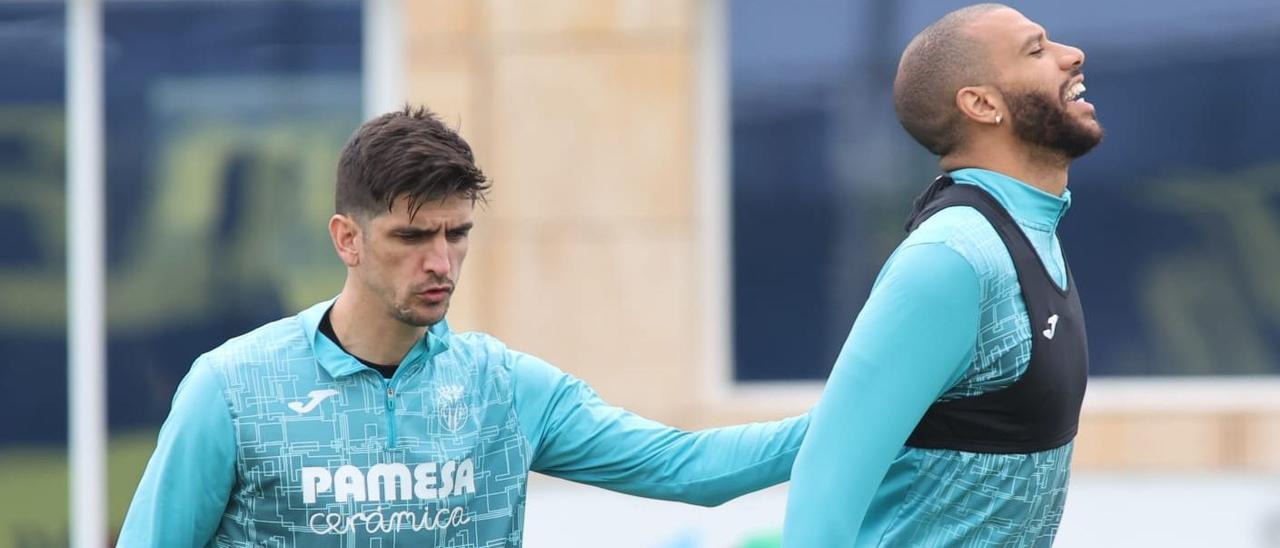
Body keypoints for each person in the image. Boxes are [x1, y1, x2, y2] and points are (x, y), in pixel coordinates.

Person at [119, 105, 808, 546]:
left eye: (458, 234)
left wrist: (887, 410)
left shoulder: (503, 387)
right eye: (413, 236)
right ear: (346, 239)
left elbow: (689, 469)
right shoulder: (235, 389)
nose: (441, 262)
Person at [782, 4, 1102, 546]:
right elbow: (823, 490)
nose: (1072, 55)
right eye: (1036, 49)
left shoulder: (1028, 232)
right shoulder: (953, 255)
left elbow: (810, 440)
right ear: (981, 104)